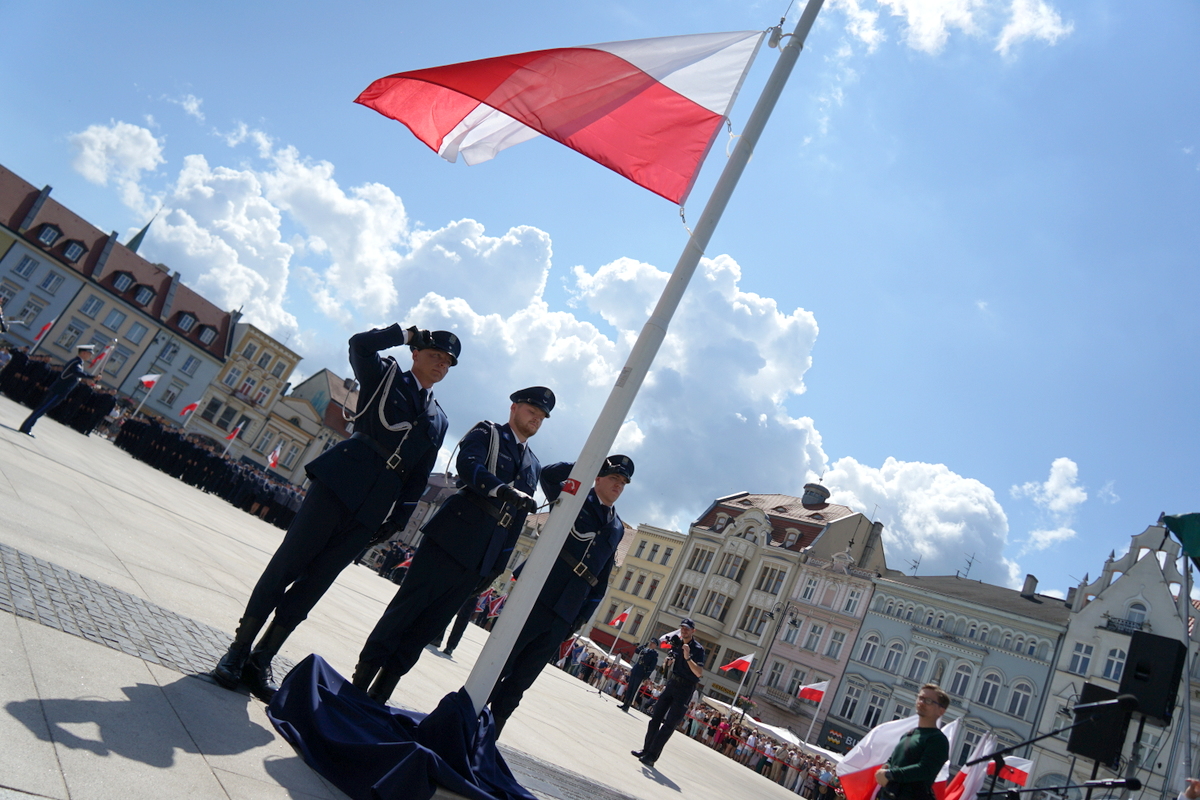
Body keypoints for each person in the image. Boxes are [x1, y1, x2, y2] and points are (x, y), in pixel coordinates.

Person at [211, 324, 458, 700]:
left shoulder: (439, 418)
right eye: (435, 355)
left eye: (448, 362)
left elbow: (420, 473)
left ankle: (261, 660)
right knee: (286, 567)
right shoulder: (385, 376)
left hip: (374, 506)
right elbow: (360, 345)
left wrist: (398, 518)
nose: (441, 364)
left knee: (314, 585)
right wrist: (406, 334)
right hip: (339, 482)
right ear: (416, 355)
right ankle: (238, 650)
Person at [351, 386, 554, 703]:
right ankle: (360, 681)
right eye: (532, 411)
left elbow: (515, 521)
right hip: (450, 539)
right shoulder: (488, 433)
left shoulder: (533, 465)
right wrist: (501, 490)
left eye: (541, 417)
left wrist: (498, 565)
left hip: (480, 558)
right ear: (514, 408)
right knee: (406, 611)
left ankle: (381, 692)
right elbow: (468, 466)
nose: (536, 419)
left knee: (429, 625)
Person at [486, 455, 633, 733]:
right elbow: (548, 475)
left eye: (623, 482)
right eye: (614, 478)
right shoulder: (574, 497)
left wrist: (580, 618)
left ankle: (490, 734)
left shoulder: (617, 527)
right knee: (500, 663)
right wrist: (589, 463)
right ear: (598, 477)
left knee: (521, 681)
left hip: (566, 612)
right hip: (538, 594)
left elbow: (600, 580)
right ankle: (467, 719)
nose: (619, 485)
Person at [632, 617, 705, 768]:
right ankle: (646, 750)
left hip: (686, 688)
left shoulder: (698, 649)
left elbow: (699, 673)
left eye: (687, 628)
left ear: (693, 631)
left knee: (669, 724)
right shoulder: (677, 643)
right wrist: (667, 663)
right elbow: (665, 670)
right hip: (672, 683)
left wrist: (688, 657)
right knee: (655, 718)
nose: (684, 631)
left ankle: (652, 756)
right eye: (682, 628)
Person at [875, 684, 951, 800]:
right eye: (920, 698)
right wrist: (885, 768)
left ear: (941, 710)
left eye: (928, 701)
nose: (921, 702)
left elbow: (925, 770)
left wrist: (890, 774)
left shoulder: (938, 739)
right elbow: (893, 760)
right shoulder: (908, 734)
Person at [18, 344, 94, 435]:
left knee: (43, 409)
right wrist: (92, 377)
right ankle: (26, 427)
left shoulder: (79, 363)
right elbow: (77, 372)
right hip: (58, 391)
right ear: (84, 353)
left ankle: (27, 427)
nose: (90, 356)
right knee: (42, 409)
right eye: (90, 354)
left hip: (61, 391)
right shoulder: (76, 362)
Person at [620, 641, 659, 712]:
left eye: (653, 643)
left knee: (634, 690)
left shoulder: (654, 654)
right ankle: (624, 703)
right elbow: (637, 651)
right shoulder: (644, 650)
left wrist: (646, 676)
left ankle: (627, 706)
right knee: (629, 688)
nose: (651, 644)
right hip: (636, 670)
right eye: (650, 642)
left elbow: (652, 667)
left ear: (655, 646)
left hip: (641, 672)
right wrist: (644, 645)